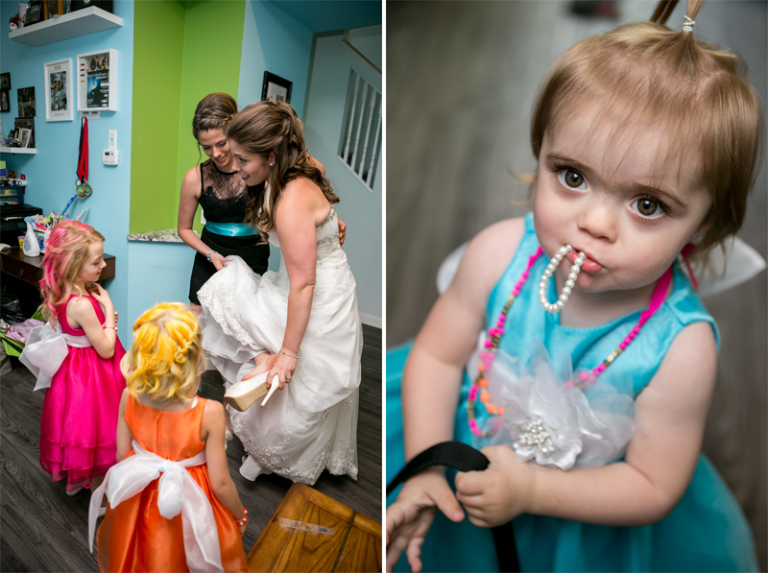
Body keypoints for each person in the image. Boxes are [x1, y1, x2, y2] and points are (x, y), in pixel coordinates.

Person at [384, 1, 763, 572]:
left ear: (703, 225)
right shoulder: (496, 256)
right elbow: (436, 358)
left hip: (578, 530)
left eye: (647, 204)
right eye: (573, 176)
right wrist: (428, 467)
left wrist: (533, 491)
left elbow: (652, 483)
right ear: (540, 155)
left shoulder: (681, 349)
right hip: (460, 470)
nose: (595, 223)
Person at [197, 99, 362, 484]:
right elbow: (319, 213)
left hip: (317, 293)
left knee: (303, 373)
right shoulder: (298, 167)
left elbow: (305, 282)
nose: (235, 167)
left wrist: (287, 353)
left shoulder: (290, 200)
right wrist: (332, 226)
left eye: (242, 159)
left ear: (271, 156)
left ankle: (283, 453)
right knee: (229, 301)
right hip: (306, 280)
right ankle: (266, 441)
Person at [89, 303, 249, 572]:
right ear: (197, 358)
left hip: (141, 495)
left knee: (146, 552)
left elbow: (121, 455)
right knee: (192, 552)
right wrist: (239, 514)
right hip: (194, 498)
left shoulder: (129, 396)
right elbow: (220, 483)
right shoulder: (210, 412)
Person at [178, 93, 347, 313]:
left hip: (253, 255)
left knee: (248, 322)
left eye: (222, 143)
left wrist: (328, 219)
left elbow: (313, 173)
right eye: (207, 147)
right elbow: (184, 228)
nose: (216, 153)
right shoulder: (194, 177)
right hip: (210, 258)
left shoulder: (261, 164)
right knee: (200, 324)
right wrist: (210, 254)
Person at [20, 221, 125, 495]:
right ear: (73, 266)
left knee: (78, 424)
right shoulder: (83, 302)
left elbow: (75, 328)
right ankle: (101, 494)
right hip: (94, 370)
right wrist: (110, 314)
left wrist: (102, 321)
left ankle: (78, 476)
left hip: (73, 368)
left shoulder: (64, 291)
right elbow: (106, 349)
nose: (102, 265)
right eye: (96, 261)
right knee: (102, 423)